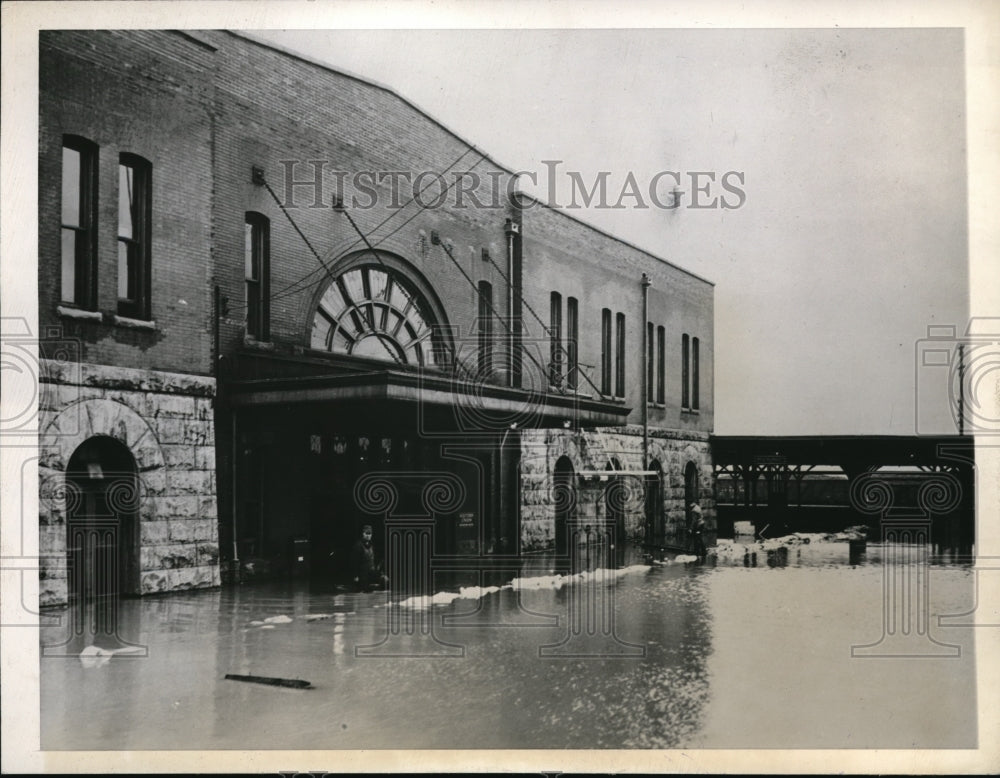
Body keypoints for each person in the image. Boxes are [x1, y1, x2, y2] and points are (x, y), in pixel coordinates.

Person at [350, 524, 385, 592]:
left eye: (370, 533)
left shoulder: (371, 545)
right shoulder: (358, 546)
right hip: (362, 575)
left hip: (371, 573)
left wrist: (379, 571)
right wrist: (355, 576)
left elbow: (375, 559)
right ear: (363, 533)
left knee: (384, 580)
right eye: (366, 533)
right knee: (364, 591)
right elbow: (354, 562)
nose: (368, 535)